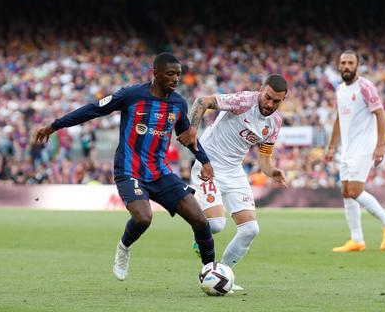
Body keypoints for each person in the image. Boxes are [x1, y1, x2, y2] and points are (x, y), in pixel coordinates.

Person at [34, 52, 216, 281]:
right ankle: (123, 247)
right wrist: (55, 125)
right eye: (170, 74)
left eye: (178, 74)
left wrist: (204, 160)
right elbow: (92, 109)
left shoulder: (178, 104)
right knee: (143, 218)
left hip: (160, 172)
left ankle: (211, 272)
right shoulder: (132, 95)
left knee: (200, 220)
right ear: (155, 73)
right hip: (129, 170)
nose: (175, 79)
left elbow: (187, 136)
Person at [181, 74, 287, 290]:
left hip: (234, 170)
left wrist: (272, 171)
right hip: (208, 164)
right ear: (261, 90)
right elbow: (203, 101)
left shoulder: (275, 123)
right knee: (217, 225)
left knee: (250, 230)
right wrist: (192, 130)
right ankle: (199, 230)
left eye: (276, 101)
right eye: (267, 97)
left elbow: (264, 159)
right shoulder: (243, 101)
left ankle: (222, 275)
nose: (270, 104)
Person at [324, 51, 385, 252]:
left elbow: (381, 114)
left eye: (350, 62)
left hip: (364, 146)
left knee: (355, 191)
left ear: (357, 66)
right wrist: (332, 146)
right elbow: (339, 119)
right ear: (339, 66)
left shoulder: (365, 86)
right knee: (346, 193)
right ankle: (357, 240)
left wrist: (381, 145)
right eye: (343, 63)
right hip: (347, 149)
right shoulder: (340, 89)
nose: (347, 66)